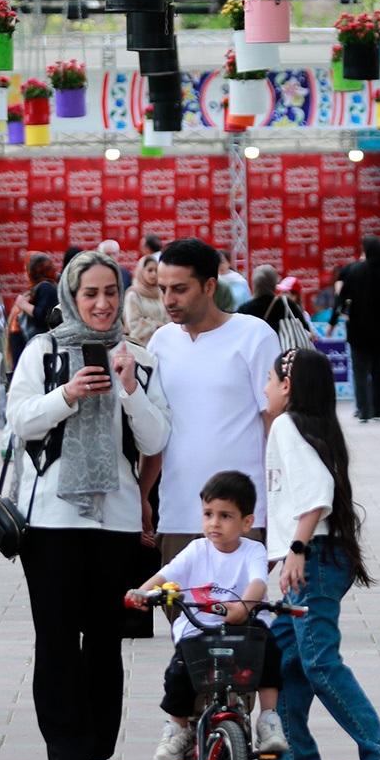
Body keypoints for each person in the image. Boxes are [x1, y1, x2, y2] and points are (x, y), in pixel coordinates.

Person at [6, 249, 171, 760]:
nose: (101, 303)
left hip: (115, 520)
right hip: (51, 520)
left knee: (104, 636)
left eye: (109, 292)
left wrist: (129, 391)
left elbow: (156, 439)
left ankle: (98, 741)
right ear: (71, 297)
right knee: (56, 636)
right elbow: (20, 420)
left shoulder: (139, 359)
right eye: (90, 293)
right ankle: (66, 751)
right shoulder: (43, 351)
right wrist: (67, 394)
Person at [264, 348, 380, 760]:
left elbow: (317, 493)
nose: (265, 389)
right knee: (285, 658)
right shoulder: (313, 427)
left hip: (313, 557)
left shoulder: (286, 425)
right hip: (321, 556)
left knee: (318, 661)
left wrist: (296, 550)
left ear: (287, 386)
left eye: (270, 380)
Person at [128, 471, 289, 760]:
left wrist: (243, 607)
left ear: (247, 522)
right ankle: (177, 729)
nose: (214, 523)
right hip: (200, 628)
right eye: (208, 514)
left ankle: (269, 720)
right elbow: (167, 574)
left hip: (243, 628)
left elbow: (258, 582)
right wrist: (142, 592)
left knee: (269, 650)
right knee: (179, 671)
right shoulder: (196, 550)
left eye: (225, 516)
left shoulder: (253, 550)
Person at [148, 237, 282, 562]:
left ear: (209, 286)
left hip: (242, 515)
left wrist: (279, 508)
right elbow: (155, 431)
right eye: (163, 289)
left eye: (180, 289)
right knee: (176, 598)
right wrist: (141, 496)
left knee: (241, 597)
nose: (169, 299)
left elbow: (275, 424)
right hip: (177, 514)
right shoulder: (160, 342)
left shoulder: (254, 335)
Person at [338, 236, 380, 423]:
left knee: (360, 372)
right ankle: (378, 409)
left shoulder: (355, 271)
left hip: (358, 331)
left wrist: (336, 319)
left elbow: (342, 298)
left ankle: (363, 410)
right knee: (378, 370)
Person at [8, 252, 61, 377]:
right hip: (32, 342)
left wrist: (23, 304)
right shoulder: (44, 287)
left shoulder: (45, 287)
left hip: (34, 341)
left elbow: (43, 315)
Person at [123, 252, 169, 347]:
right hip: (141, 346)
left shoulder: (161, 293)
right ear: (141, 271)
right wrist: (155, 325)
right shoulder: (133, 294)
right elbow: (133, 325)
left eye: (156, 271)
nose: (154, 274)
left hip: (163, 344)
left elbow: (168, 318)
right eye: (150, 270)